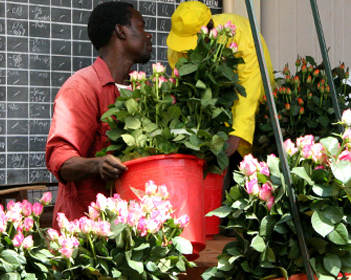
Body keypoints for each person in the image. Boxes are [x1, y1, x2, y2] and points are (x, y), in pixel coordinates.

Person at [46, 2, 153, 229]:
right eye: (141, 27)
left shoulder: (145, 92)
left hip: (132, 230)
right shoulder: (81, 88)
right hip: (89, 238)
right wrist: (97, 165)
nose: (148, 35)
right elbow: (60, 158)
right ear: (121, 31)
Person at [167, 1, 275, 162]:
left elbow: (251, 88)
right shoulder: (179, 43)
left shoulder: (241, 35)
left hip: (253, 110)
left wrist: (237, 134)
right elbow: (184, 88)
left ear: (208, 30)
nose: (186, 50)